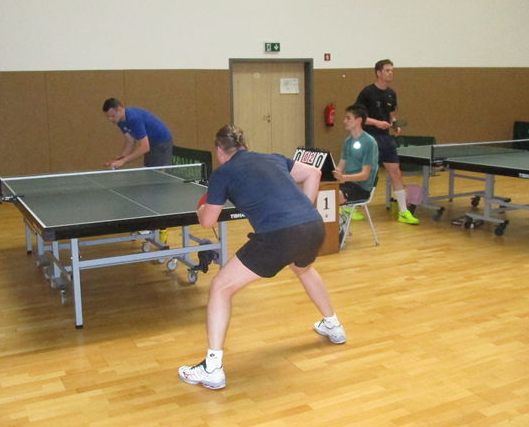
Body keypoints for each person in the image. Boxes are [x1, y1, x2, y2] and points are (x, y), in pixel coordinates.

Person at [178, 125, 346, 390]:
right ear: (244, 145)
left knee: (220, 287)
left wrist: (200, 210)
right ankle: (333, 326)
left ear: (220, 151)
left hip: (278, 235)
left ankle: (212, 368)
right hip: (313, 226)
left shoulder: (223, 173)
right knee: (303, 267)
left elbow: (208, 221)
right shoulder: (273, 158)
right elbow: (313, 172)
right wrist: (303, 209)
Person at [354, 59, 418, 224]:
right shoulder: (367, 92)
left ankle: (403, 211)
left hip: (385, 138)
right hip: (369, 137)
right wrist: (377, 123)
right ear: (378, 72)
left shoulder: (391, 94)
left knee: (396, 172)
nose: (390, 73)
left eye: (392, 70)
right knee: (365, 173)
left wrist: (394, 124)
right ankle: (348, 207)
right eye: (387, 70)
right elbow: (359, 117)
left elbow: (390, 114)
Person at [333, 104, 379, 220]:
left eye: (348, 118)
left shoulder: (369, 142)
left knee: (334, 196)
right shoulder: (347, 141)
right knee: (323, 191)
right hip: (347, 184)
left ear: (358, 120)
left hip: (361, 188)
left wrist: (343, 177)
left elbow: (365, 175)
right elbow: (340, 166)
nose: (344, 121)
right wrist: (333, 174)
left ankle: (339, 223)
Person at [102, 98, 173, 169]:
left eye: (112, 116)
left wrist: (123, 161)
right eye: (108, 117)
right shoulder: (120, 121)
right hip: (150, 143)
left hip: (161, 142)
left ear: (120, 109)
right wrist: (120, 159)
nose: (110, 119)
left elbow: (145, 147)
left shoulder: (134, 118)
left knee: (155, 172)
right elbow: (130, 141)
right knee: (149, 169)